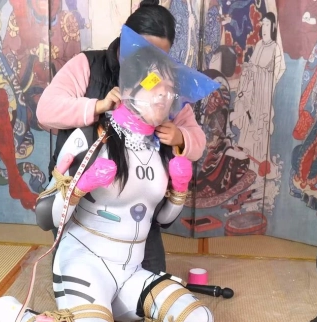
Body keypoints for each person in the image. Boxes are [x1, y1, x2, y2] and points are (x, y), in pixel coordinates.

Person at [0, 32, 215, 322]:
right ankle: (14, 316)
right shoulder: (91, 137)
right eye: (156, 86)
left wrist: (179, 189)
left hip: (131, 268)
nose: (164, 97)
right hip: (85, 262)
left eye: (170, 91)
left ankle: (113, 312)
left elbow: (162, 220)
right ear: (129, 88)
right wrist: (78, 188)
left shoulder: (163, 145)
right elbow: (45, 215)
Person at [34, 0, 206, 275]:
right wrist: (97, 107)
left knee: (150, 284)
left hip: (136, 210)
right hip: (80, 201)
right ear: (126, 39)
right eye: (143, 50)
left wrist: (180, 137)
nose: (150, 61)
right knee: (80, 282)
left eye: (159, 55)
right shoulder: (88, 65)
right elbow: (45, 110)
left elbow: (197, 140)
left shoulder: (165, 81)